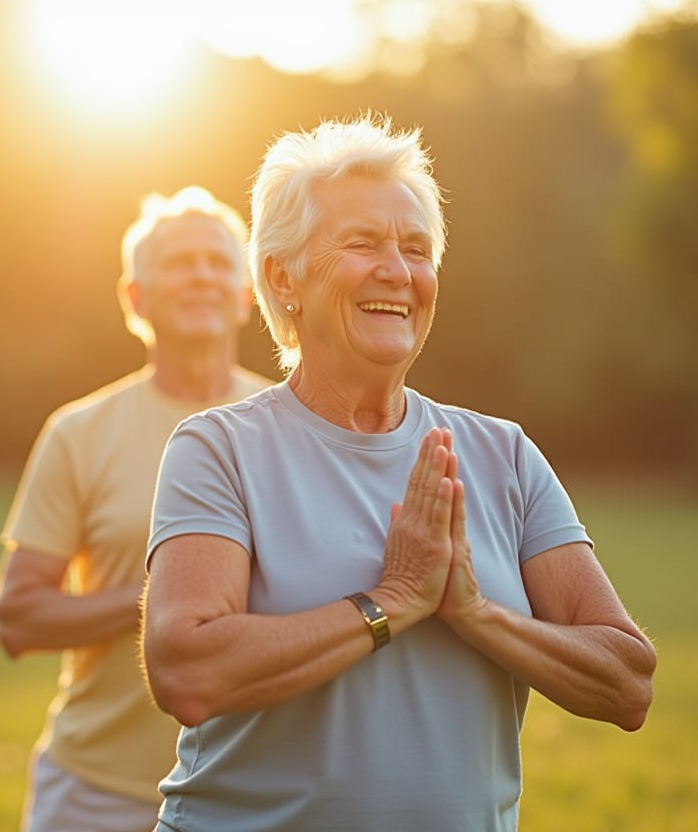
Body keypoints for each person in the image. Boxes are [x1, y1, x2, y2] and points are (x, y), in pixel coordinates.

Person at [140, 116, 658, 831]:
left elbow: (628, 682)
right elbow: (187, 670)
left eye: (416, 249)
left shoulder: (503, 454)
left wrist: (476, 615)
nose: (397, 270)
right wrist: (389, 604)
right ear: (282, 278)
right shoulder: (219, 448)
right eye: (362, 243)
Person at [0, 185, 272, 832]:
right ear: (135, 299)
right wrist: (162, 602)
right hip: (96, 793)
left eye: (217, 262)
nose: (200, 275)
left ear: (245, 294)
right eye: (178, 262)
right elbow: (18, 617)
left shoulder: (295, 430)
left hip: (251, 785)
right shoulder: (79, 432)